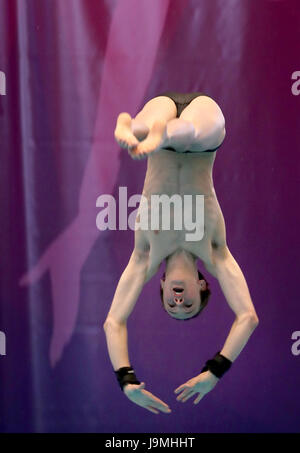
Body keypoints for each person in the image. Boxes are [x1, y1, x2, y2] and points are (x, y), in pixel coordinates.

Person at [103, 91, 259, 414]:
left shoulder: (145, 256)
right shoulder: (215, 253)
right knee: (191, 131)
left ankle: (138, 129)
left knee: (150, 124)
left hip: (161, 138)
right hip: (203, 135)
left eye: (171, 305)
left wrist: (126, 380)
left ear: (159, 286)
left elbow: (114, 321)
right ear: (202, 285)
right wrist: (215, 371)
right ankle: (153, 132)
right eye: (187, 304)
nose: (178, 301)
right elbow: (247, 317)